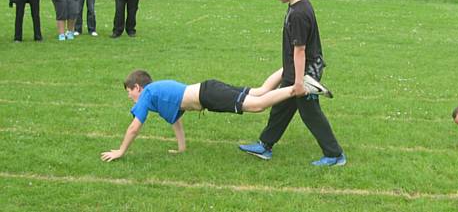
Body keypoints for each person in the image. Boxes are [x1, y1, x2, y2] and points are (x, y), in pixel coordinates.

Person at [238, 0, 346, 166]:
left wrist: (298, 83)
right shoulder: (297, 6)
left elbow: (300, 50)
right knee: (281, 108)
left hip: (304, 73)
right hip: (294, 70)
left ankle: (335, 154)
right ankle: (265, 145)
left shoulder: (299, 14)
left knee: (310, 113)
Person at [100, 68, 332, 162]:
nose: (129, 96)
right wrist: (181, 148)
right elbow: (176, 120)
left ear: (137, 88)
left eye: (129, 92)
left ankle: (299, 86)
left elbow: (134, 127)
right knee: (260, 92)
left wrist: (120, 151)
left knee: (258, 105)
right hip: (208, 90)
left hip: (208, 95)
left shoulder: (148, 94)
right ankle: (289, 66)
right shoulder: (157, 95)